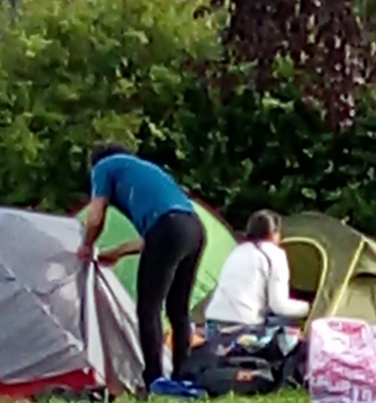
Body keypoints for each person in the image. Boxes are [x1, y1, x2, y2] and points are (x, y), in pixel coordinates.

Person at [77, 148, 205, 389]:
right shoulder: (147, 170)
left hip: (168, 228)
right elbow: (157, 236)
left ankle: (155, 379)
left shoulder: (104, 167)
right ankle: (183, 375)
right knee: (179, 310)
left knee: (149, 308)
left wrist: (87, 245)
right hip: (194, 229)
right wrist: (117, 253)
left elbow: (96, 214)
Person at [203, 210, 306, 337]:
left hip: (212, 326)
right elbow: (279, 306)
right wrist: (309, 308)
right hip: (242, 330)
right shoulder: (276, 254)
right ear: (274, 233)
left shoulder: (237, 250)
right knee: (289, 329)